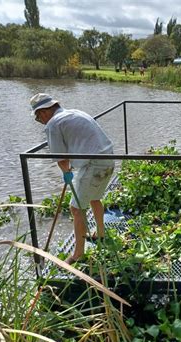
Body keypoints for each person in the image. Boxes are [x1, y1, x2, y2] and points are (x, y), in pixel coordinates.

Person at [30, 93, 114, 264]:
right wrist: (70, 170)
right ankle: (100, 232)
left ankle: (78, 254)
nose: (41, 121)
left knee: (76, 209)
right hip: (108, 158)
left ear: (44, 112)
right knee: (94, 198)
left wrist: (66, 172)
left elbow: (61, 158)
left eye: (39, 118)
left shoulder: (53, 124)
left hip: (93, 164)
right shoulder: (75, 112)